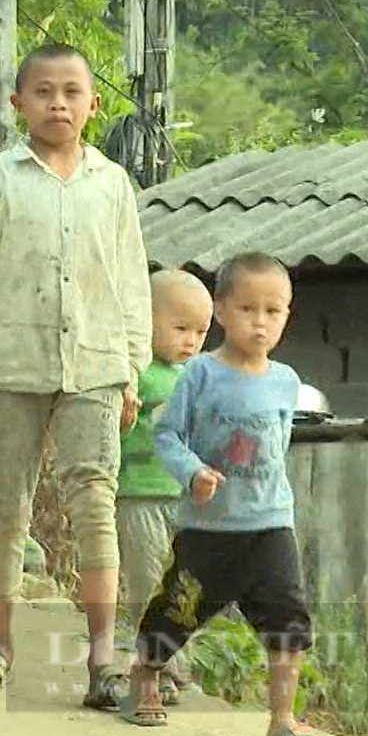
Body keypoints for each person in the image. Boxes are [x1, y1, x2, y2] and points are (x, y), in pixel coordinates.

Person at [0, 42, 154, 709]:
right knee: (6, 504)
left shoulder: (111, 184)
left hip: (96, 364)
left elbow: (130, 280)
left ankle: (102, 660)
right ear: (18, 103)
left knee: (92, 501)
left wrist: (131, 368)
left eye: (71, 91)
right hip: (12, 364)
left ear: (92, 105)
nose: (58, 103)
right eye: (43, 91)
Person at [123, 252, 324, 736]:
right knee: (176, 612)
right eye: (248, 309)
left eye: (273, 311)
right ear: (221, 312)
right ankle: (144, 674)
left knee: (289, 619)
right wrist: (192, 473)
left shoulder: (286, 381)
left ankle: (281, 719)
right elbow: (167, 434)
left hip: (271, 525)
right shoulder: (199, 375)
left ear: (287, 314)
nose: (260, 322)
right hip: (208, 530)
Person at [116, 267, 213, 705]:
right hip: (138, 493)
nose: (191, 341)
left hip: (184, 499)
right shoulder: (134, 372)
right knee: (147, 581)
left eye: (201, 332)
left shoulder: (198, 376)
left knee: (183, 582)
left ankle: (171, 661)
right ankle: (154, 665)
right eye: (180, 328)